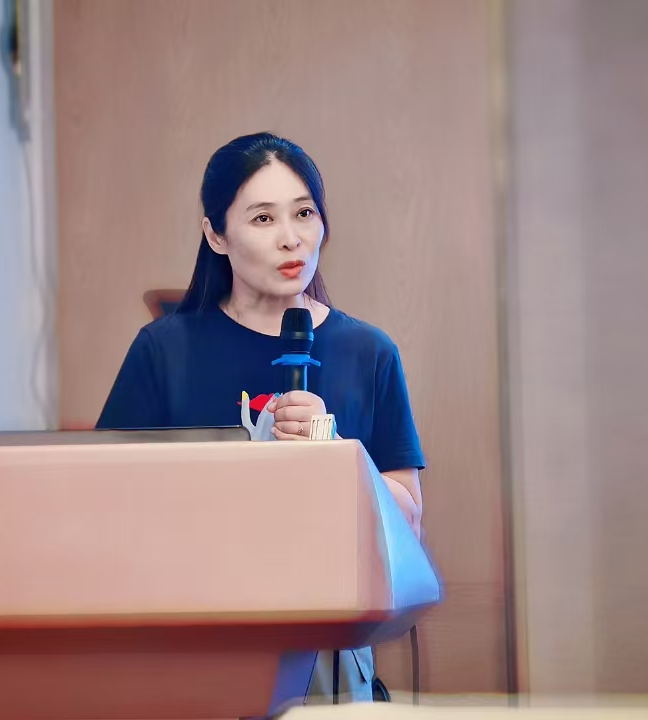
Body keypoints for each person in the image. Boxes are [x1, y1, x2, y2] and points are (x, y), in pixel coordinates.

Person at [96, 132, 425, 703]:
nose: (290, 237)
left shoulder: (368, 351)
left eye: (304, 213)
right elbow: (103, 503)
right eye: (263, 218)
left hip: (325, 652)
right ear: (216, 235)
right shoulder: (165, 350)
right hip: (192, 642)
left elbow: (409, 522)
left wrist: (332, 450)